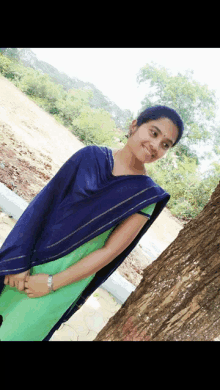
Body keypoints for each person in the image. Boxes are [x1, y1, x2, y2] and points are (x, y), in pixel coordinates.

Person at [0, 105, 184, 341]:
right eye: (154, 133)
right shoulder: (89, 157)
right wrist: (17, 261)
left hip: (62, 283)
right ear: (135, 125)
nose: (155, 146)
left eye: (166, 145)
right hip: (27, 261)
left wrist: (51, 283)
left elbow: (109, 252)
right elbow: (42, 205)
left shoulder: (145, 195)